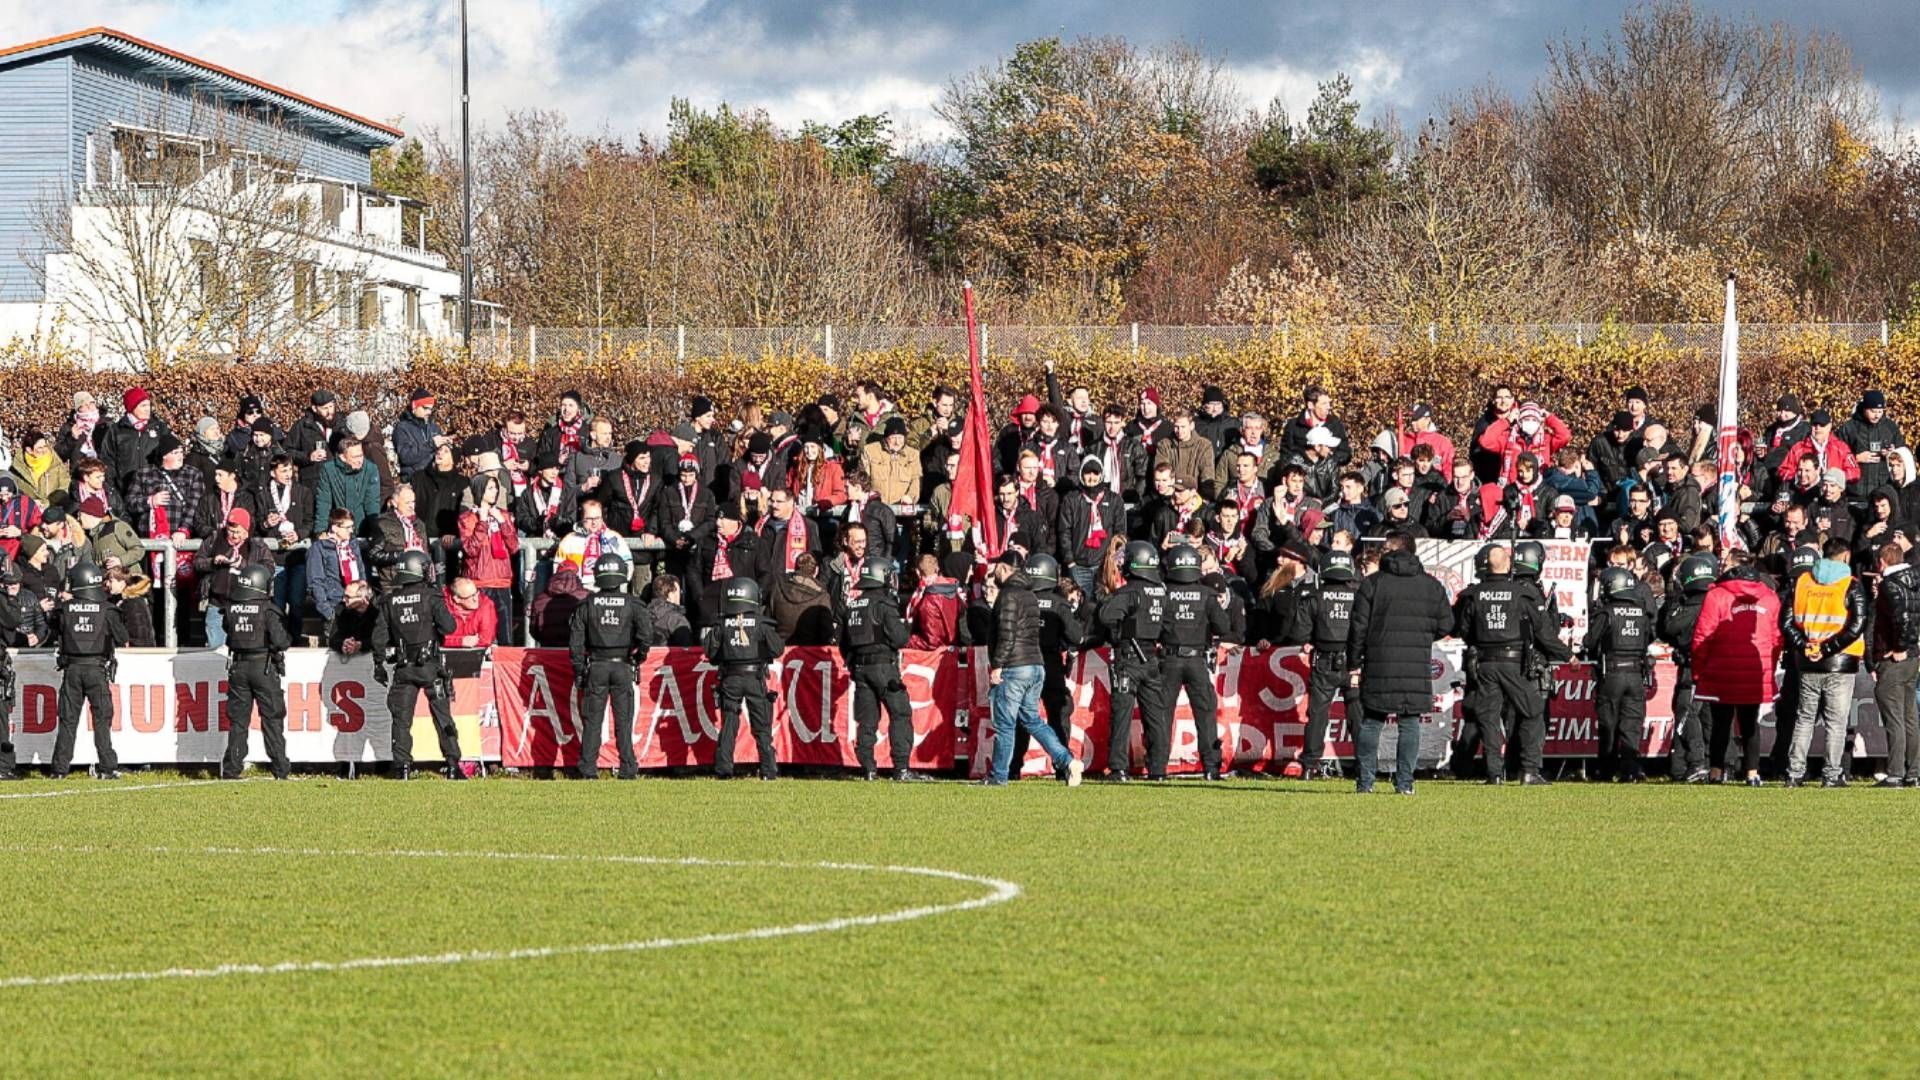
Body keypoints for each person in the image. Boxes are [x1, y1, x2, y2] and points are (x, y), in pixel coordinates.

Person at [1346, 531, 1451, 795]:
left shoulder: (1372, 584)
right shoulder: (1431, 585)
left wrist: (1354, 661)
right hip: (1415, 663)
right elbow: (1447, 623)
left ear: (1391, 551)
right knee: (1410, 722)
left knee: (1372, 721)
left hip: (1379, 661)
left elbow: (1358, 628)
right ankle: (1405, 783)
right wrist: (1423, 635)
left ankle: (1365, 782)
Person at [1454, 545, 1567, 785]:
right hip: (1515, 663)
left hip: (1484, 663)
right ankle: (1529, 771)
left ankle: (1494, 773)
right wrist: (1568, 655)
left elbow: (1463, 630)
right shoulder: (1521, 594)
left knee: (1489, 717)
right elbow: (1543, 632)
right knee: (1533, 712)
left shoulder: (1473, 594)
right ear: (1508, 565)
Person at [984, 558, 1084, 787]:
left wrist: (998, 664)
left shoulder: (1010, 595)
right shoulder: (1031, 596)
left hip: (1015, 665)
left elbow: (1007, 632)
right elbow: (1075, 635)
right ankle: (1067, 761)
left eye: (996, 566)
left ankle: (1000, 776)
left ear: (1007, 567)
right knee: (1034, 720)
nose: (992, 572)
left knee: (1006, 724)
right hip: (1037, 665)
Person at [1781, 539, 1868, 787]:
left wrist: (1807, 646)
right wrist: (1828, 648)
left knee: (1805, 718)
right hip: (1841, 661)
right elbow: (1857, 625)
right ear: (1846, 556)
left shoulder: (1802, 582)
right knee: (1836, 721)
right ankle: (1831, 775)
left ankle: (1794, 773)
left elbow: (1786, 624)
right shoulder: (1850, 585)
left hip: (1808, 660)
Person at [1693, 550, 1784, 785]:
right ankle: (1752, 773)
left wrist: (1698, 670)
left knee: (1720, 723)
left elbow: (1703, 636)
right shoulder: (1770, 596)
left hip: (1721, 668)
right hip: (1755, 669)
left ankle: (1715, 772)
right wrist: (1769, 667)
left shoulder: (1717, 595)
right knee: (1750, 723)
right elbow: (1776, 639)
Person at [371, 551, 463, 780]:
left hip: (403, 668)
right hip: (430, 666)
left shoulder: (389, 600)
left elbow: (379, 637)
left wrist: (378, 664)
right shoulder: (431, 596)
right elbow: (449, 627)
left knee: (401, 720)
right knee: (443, 717)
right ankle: (452, 765)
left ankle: (402, 767)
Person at [569, 554, 654, 780]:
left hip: (596, 665)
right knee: (623, 721)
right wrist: (639, 657)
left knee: (593, 721)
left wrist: (579, 671)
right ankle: (628, 767)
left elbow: (576, 643)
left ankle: (588, 768)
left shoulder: (586, 605)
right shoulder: (633, 604)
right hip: (622, 665)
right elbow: (646, 635)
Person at [840, 557, 923, 782]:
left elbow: (843, 644)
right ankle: (902, 769)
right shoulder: (884, 605)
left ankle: (868, 769)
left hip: (860, 668)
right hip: (884, 668)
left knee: (867, 720)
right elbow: (899, 638)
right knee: (900, 714)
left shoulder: (852, 606)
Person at [1097, 541, 1171, 780]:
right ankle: (1158, 769)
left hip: (1129, 658)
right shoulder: (1160, 590)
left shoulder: (1130, 592)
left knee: (1122, 715)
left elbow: (1107, 616)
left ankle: (1118, 768)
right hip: (1151, 659)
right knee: (1155, 716)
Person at [51, 562, 129, 779]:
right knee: (102, 720)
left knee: (68, 720)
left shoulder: (64, 609)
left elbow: (54, 627)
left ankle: (59, 770)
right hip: (96, 669)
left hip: (72, 670)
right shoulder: (108, 610)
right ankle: (107, 767)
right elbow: (122, 637)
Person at [1160, 544, 1231, 779]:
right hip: (1197, 660)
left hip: (1168, 659)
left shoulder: (1164, 593)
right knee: (1205, 714)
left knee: (1162, 714)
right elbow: (1223, 627)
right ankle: (1211, 768)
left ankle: (1156, 769)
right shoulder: (1207, 595)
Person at [706, 577, 784, 781]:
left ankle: (723, 769)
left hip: (730, 677)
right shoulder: (762, 623)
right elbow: (777, 649)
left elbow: (711, 653)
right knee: (761, 726)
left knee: (729, 723)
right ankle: (768, 770)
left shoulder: (720, 623)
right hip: (754, 677)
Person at [219, 564, 290, 781]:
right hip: (263, 667)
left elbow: (225, 629)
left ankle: (231, 769)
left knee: (238, 721)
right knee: (272, 718)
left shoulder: (231, 607)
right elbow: (280, 641)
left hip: (238, 666)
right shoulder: (267, 609)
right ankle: (280, 768)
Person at [1584, 566, 1655, 783]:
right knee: (1631, 725)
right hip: (1635, 674)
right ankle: (1630, 770)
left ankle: (1605, 770)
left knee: (1609, 724)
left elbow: (1590, 641)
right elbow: (1649, 638)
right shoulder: (1641, 612)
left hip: (1612, 673)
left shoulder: (1606, 612)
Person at [1658, 554, 1717, 784]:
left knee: (1686, 713)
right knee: (1704, 716)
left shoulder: (1692, 605)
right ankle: (1684, 766)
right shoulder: (1716, 600)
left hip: (1693, 669)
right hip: (1706, 668)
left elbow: (1669, 627)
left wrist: (1674, 598)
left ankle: (1697, 763)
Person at [1871, 542, 1920, 786]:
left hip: (1894, 657)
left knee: (1894, 718)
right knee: (1910, 716)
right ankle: (1913, 773)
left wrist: (1900, 647)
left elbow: (1902, 618)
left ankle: (1895, 773)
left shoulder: (1890, 585)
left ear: (1882, 562)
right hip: (1913, 658)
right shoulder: (1914, 580)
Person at [443, 577, 498, 648]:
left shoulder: (486, 605)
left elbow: (486, 639)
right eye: (471, 597)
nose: (476, 599)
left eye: (476, 593)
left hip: (476, 652)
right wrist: (461, 641)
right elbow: (436, 639)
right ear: (457, 599)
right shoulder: (441, 606)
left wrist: (451, 640)